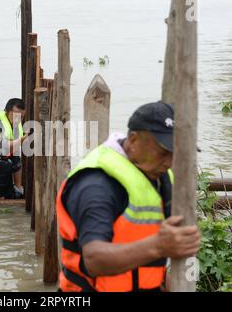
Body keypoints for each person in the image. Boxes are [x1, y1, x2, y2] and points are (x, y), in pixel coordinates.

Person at [56, 101, 201, 292]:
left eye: (175, 153)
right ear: (133, 141)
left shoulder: (160, 175)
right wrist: (159, 246)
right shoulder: (96, 184)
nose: (169, 162)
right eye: (163, 152)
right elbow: (94, 259)